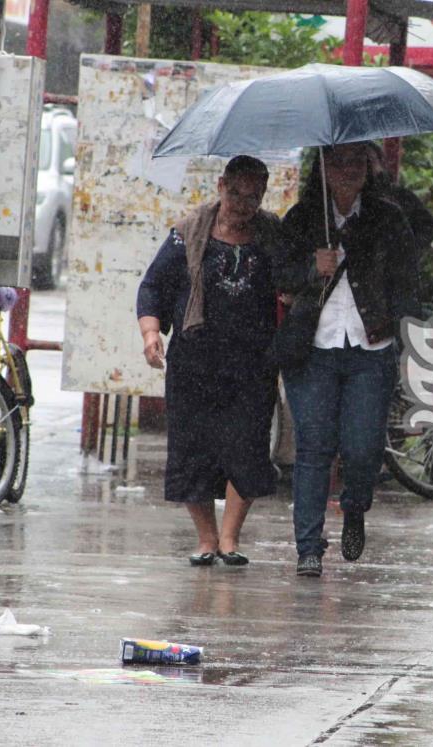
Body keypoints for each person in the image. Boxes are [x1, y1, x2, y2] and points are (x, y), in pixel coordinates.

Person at [277, 142, 421, 578]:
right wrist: (311, 268)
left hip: (369, 349)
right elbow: (279, 275)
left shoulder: (386, 217)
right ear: (320, 167)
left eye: (356, 161)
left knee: (362, 449)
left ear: (367, 167)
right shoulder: (302, 218)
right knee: (314, 448)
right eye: (337, 161)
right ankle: (308, 547)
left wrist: (397, 322)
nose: (347, 170)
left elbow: (408, 279)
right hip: (313, 350)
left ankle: (355, 507)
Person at [136, 155, 282, 567]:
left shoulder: (272, 234)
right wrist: (151, 334)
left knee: (247, 446)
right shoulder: (189, 231)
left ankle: (231, 538)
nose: (242, 203)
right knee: (191, 448)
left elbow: (294, 279)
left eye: (252, 196)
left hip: (252, 362)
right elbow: (153, 287)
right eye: (235, 192)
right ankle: (206, 538)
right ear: (220, 185)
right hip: (195, 359)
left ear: (262, 196)